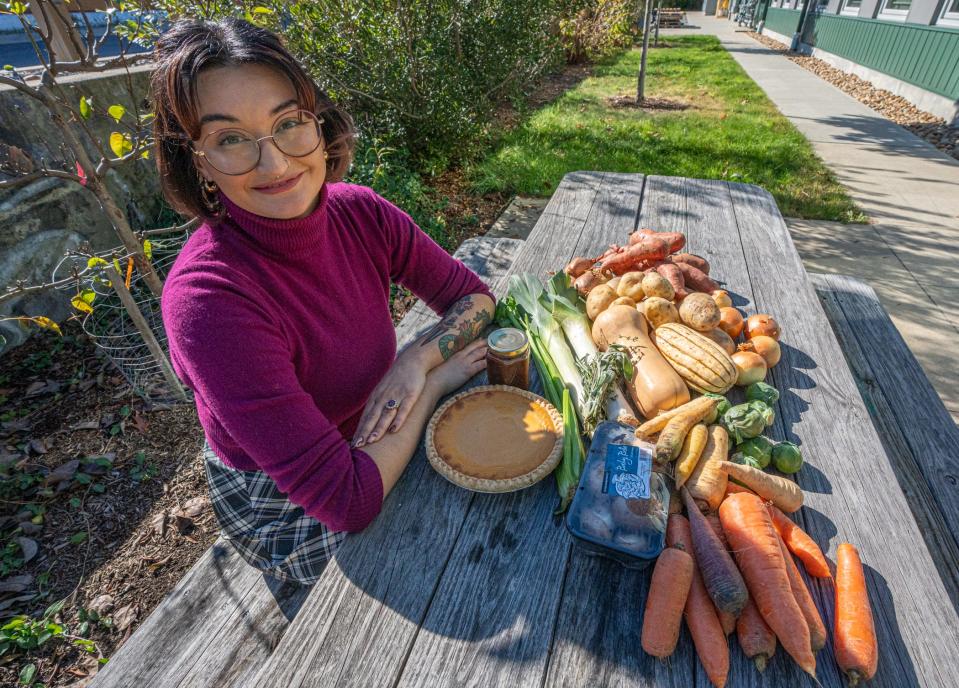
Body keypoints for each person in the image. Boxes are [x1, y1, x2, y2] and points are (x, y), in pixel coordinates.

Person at [152, 17, 495, 584]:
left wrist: (416, 359)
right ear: (197, 160)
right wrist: (432, 382)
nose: (277, 163)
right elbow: (348, 501)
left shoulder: (360, 212)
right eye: (230, 138)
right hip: (286, 503)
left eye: (288, 123)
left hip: (377, 425)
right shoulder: (209, 300)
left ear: (318, 121)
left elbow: (474, 298)